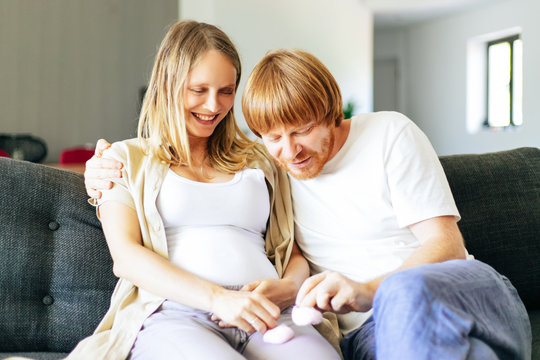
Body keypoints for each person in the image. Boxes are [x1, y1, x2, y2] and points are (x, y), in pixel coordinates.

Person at [85, 48, 532, 359]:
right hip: (369, 334)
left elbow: (446, 246)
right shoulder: (271, 169)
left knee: (404, 293)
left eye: (302, 130)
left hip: (452, 293)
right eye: (273, 137)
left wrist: (368, 291)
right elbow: (281, 247)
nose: (291, 150)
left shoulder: (389, 133)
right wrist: (98, 169)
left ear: (332, 110)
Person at [70, 22, 340, 360]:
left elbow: (292, 250)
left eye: (226, 91)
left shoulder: (261, 158)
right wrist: (219, 298)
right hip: (177, 315)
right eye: (199, 90)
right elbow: (126, 258)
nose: (214, 106)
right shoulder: (123, 159)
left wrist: (289, 287)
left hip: (269, 313)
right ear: (168, 85)